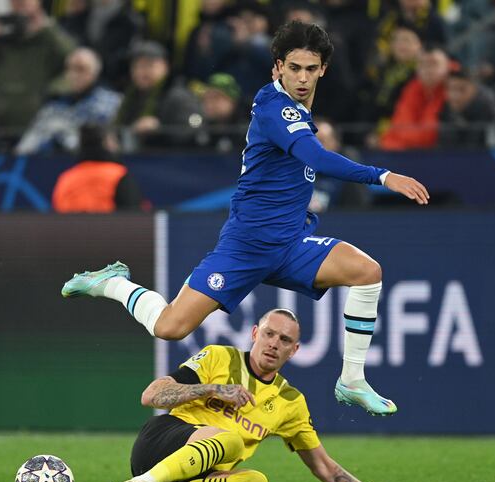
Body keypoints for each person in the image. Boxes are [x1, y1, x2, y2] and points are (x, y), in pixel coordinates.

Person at [62, 21, 430, 417]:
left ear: (323, 69)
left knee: (367, 272)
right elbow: (318, 159)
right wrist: (384, 176)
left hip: (290, 243)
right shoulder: (275, 108)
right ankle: (112, 283)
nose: (302, 78)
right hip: (247, 246)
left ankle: (351, 380)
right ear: (277, 68)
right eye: (294, 68)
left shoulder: (301, 108)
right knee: (169, 328)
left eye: (310, 68)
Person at [100, 309, 423, 482]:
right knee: (231, 441)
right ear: (255, 333)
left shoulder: (290, 402)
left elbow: (324, 468)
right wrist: (213, 388)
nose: (273, 343)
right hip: (160, 444)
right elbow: (152, 395)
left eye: (284, 340)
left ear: (294, 351)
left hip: (195, 476)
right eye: (269, 334)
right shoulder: (218, 357)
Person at [0, 0, 76, 132]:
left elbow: (74, 58)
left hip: (39, 121)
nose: (20, 2)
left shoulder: (48, 34)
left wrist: (47, 28)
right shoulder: (0, 27)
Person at [15, 47, 121, 155]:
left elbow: (119, 144)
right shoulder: (52, 108)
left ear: (95, 72)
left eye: (81, 69)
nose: (74, 75)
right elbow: (24, 149)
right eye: (69, 69)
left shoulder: (113, 103)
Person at [51, 123, 144, 213]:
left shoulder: (66, 179)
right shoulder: (119, 175)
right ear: (107, 143)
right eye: (114, 140)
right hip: (110, 228)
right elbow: (133, 216)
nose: (117, 146)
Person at [378, 46, 450, 150]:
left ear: (447, 66)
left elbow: (428, 135)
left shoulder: (453, 90)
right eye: (423, 64)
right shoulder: (412, 88)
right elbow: (397, 128)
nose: (428, 70)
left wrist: (402, 141)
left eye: (434, 64)